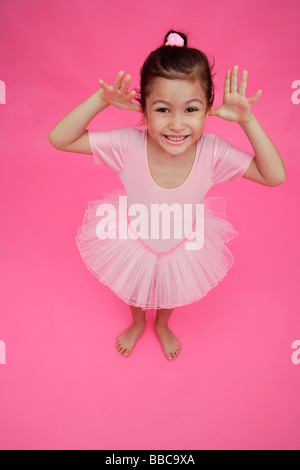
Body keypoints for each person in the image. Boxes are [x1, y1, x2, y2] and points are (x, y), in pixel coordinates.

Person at [48, 30, 286, 361]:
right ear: (143, 109)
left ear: (207, 110)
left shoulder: (213, 153)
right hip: (135, 236)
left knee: (173, 284)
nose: (176, 124)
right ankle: (136, 322)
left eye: (190, 110)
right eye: (162, 110)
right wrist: (101, 100)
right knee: (133, 282)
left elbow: (275, 176)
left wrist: (248, 121)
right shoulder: (127, 145)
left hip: (182, 242)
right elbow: (59, 138)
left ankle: (161, 324)